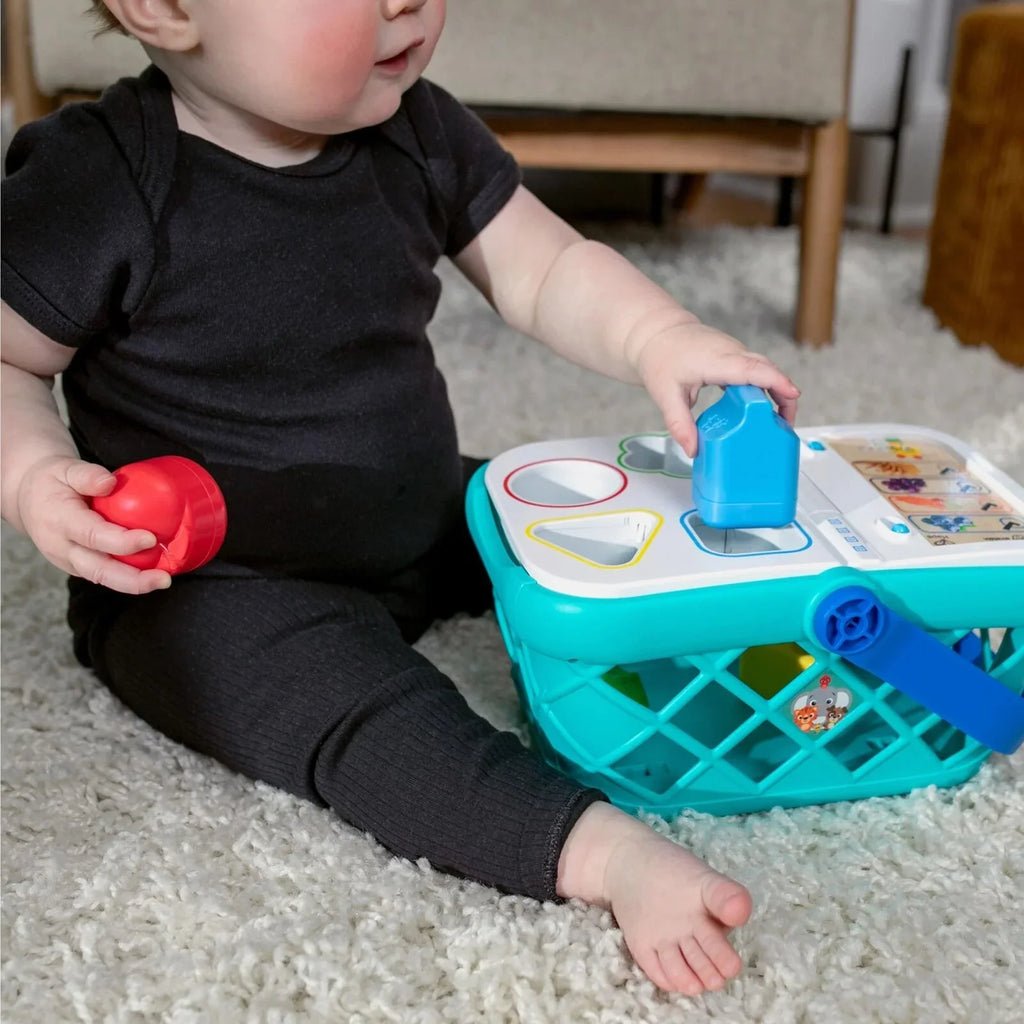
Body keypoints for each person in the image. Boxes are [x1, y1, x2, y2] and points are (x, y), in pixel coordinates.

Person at [1, 0, 800, 996]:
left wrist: (660, 339)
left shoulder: (418, 129)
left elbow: (545, 269)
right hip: (216, 584)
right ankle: (594, 849)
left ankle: (760, 627)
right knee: (364, 717)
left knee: (575, 524)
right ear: (163, 9)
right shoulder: (100, 180)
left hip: (418, 513)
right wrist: (36, 477)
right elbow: (6, 356)